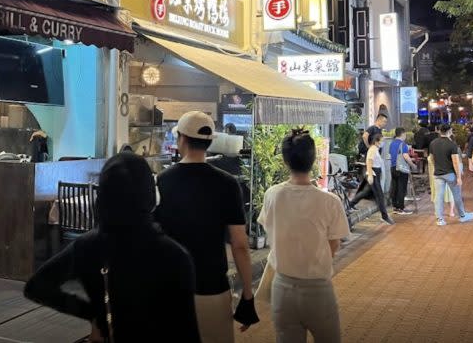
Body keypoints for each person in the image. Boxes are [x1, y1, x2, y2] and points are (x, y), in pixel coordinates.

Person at [24, 153, 201, 343]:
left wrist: (93, 314)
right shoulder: (175, 256)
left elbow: (36, 286)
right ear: (150, 194)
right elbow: (187, 332)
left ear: (103, 196)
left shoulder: (87, 246)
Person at [155, 111, 258, 342]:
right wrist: (248, 295)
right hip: (213, 288)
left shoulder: (162, 181)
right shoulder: (228, 184)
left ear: (181, 139)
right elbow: (240, 245)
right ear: (210, 142)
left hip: (171, 289)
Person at [257, 130, 350, 343]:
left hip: (282, 288)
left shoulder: (272, 195)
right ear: (313, 159)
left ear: (284, 160)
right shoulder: (330, 201)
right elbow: (333, 245)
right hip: (318, 289)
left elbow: (270, 229)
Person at [429, 124, 473, 226]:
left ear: (439, 131)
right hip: (450, 174)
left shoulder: (433, 143)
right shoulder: (452, 145)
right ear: (449, 131)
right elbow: (455, 162)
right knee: (457, 195)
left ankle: (440, 219)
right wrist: (459, 177)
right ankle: (462, 216)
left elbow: (431, 158)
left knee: (438, 197)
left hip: (438, 174)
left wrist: (436, 167)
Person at [350, 132, 394, 225]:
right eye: (382, 141)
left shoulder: (375, 149)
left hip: (375, 173)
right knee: (380, 195)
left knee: (365, 192)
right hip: (373, 173)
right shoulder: (373, 149)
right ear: (377, 141)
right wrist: (370, 175)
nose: (383, 143)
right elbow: (369, 162)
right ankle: (385, 216)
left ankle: (350, 204)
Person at [389, 128, 416, 214]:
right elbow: (405, 156)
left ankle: (395, 207)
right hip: (401, 168)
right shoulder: (403, 144)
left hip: (393, 167)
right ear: (403, 134)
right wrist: (412, 165)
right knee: (401, 188)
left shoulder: (392, 143)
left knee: (395, 187)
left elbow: (391, 155)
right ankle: (401, 207)